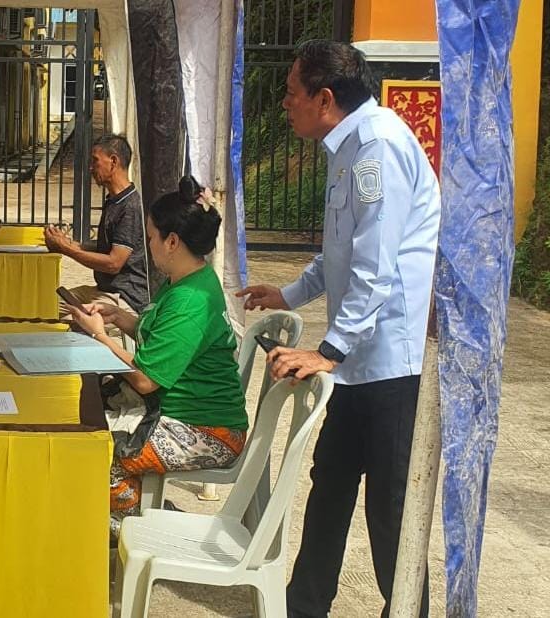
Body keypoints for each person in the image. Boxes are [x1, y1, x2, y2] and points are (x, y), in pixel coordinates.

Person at [236, 40, 440, 618]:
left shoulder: (377, 149)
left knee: (391, 510)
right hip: (357, 360)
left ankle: (407, 611)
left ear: (325, 98)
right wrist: (290, 294)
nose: (285, 103)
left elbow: (376, 269)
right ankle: (304, 607)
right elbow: (339, 255)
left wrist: (326, 350)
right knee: (329, 491)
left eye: (292, 93)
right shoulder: (347, 148)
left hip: (389, 364)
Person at [68, 185, 248, 536]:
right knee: (89, 424)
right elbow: (160, 335)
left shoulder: (190, 301)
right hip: (181, 412)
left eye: (151, 237)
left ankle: (130, 532)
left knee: (98, 453)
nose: (147, 246)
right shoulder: (185, 281)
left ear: (172, 241)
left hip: (206, 430)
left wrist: (100, 336)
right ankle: (139, 514)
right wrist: (118, 318)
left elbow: (145, 379)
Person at [44, 134, 150, 314]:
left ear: (113, 161)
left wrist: (69, 250)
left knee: (74, 316)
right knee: (47, 305)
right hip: (103, 291)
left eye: (95, 160)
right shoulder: (114, 200)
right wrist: (68, 244)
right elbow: (105, 247)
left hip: (123, 298)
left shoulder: (130, 206)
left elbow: (113, 263)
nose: (91, 167)